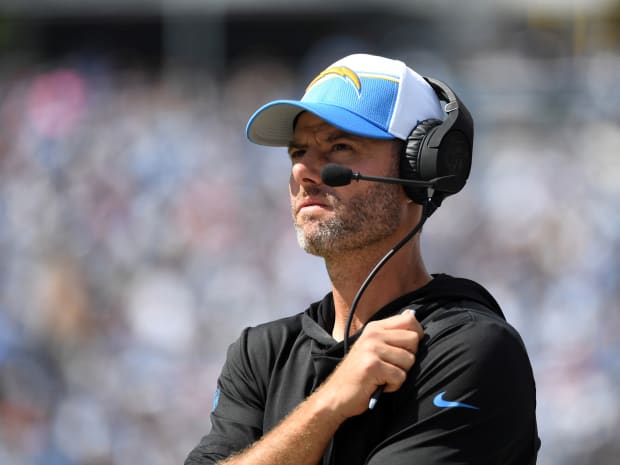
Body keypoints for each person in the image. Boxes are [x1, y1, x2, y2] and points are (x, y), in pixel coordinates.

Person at [185, 53, 540, 465]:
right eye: (298, 150)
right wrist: (329, 403)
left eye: (340, 146)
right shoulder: (259, 353)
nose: (303, 170)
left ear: (420, 167)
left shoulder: (471, 349)